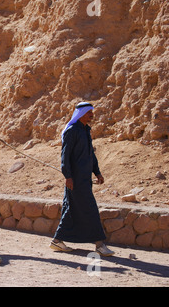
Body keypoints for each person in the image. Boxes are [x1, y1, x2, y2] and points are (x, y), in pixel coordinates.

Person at [50, 102, 115, 257]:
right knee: (90, 209)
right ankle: (99, 244)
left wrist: (97, 173)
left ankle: (57, 241)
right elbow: (64, 156)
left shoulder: (85, 130)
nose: (92, 115)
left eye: (92, 112)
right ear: (81, 114)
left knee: (71, 208)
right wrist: (68, 176)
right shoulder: (72, 131)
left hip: (84, 179)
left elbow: (90, 155)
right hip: (76, 180)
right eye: (88, 112)